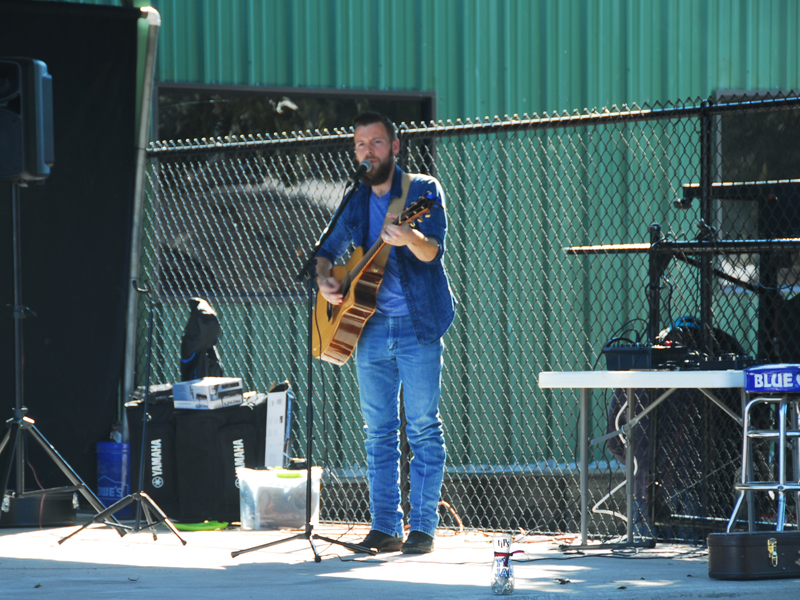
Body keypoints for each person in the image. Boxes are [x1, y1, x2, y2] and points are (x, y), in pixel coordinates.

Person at [315, 112, 456, 554]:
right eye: (360, 144)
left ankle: (423, 528)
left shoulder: (422, 190)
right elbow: (326, 250)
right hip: (368, 325)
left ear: (394, 147)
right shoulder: (356, 198)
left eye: (376, 142)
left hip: (418, 325)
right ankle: (385, 527)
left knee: (423, 427)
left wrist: (408, 236)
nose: (368, 151)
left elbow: (432, 251)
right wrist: (326, 279)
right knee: (378, 430)